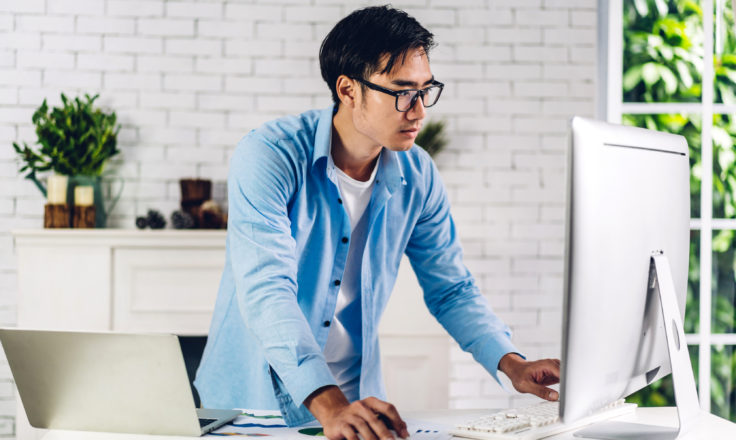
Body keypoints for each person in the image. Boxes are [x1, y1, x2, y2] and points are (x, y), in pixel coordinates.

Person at [194, 5, 560, 440]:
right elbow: (267, 291)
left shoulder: (418, 174)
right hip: (252, 409)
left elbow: (451, 288)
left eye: (427, 90)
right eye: (402, 92)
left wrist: (511, 363)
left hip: (357, 408)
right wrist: (329, 407)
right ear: (348, 90)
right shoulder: (269, 156)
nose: (419, 110)